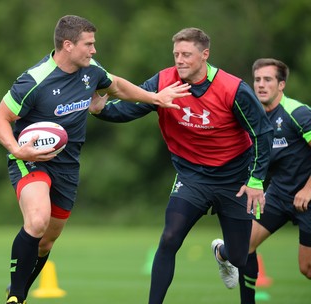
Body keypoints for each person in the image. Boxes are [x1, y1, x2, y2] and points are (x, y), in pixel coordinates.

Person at [0, 15, 191, 304]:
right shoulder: (34, 81)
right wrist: (18, 150)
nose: (94, 50)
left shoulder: (91, 71)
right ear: (68, 45)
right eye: (89, 44)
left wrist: (155, 98)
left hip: (68, 166)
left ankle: (16, 289)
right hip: (31, 159)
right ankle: (16, 299)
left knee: (46, 242)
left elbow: (117, 86)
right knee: (37, 221)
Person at [89, 27, 274, 303]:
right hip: (192, 176)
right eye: (176, 54)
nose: (180, 60)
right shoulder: (165, 80)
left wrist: (256, 181)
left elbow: (263, 133)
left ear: (205, 55)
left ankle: (222, 254)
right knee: (170, 237)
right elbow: (134, 106)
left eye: (187, 54)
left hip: (234, 178)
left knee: (239, 255)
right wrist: (102, 111)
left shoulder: (233, 89)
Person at [216, 58, 311, 303]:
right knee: (243, 247)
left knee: (307, 268)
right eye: (257, 79)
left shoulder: (298, 113)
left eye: (267, 79)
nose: (260, 84)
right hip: (278, 195)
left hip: (308, 197)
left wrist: (308, 188)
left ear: (281, 85)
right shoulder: (252, 119)